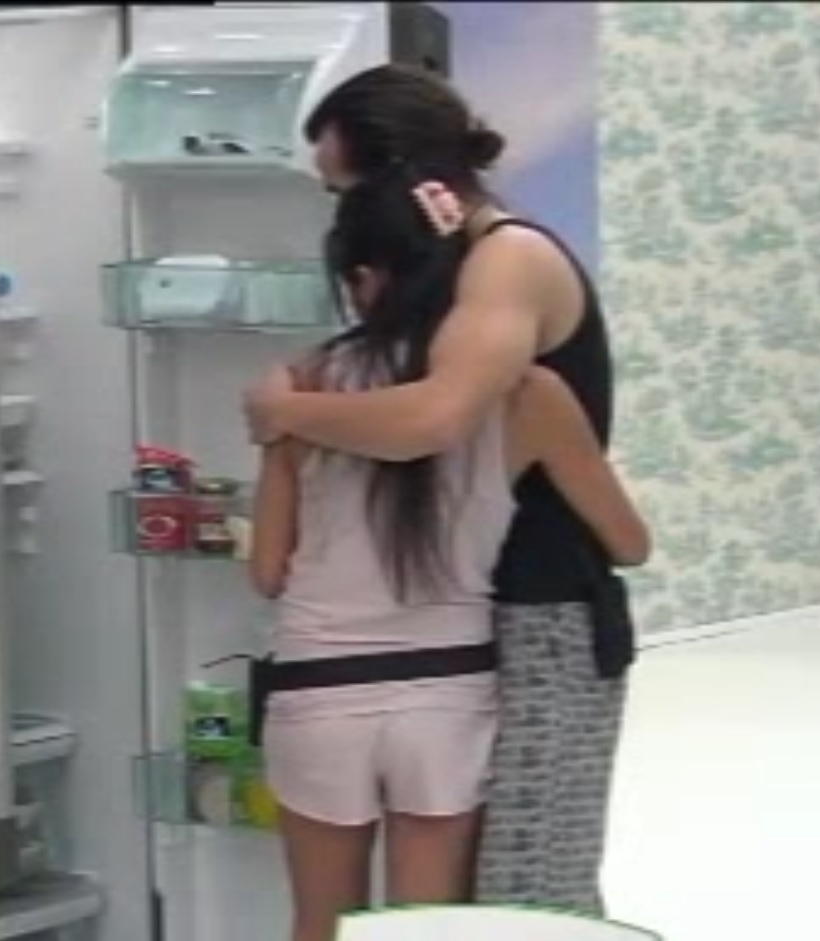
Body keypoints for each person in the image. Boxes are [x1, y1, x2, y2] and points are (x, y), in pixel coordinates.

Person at [244, 64, 630, 915]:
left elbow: (435, 418)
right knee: (457, 912)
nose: (347, 216)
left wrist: (284, 412)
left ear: (403, 182)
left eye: (345, 190)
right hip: (467, 634)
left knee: (528, 895)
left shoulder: (505, 262)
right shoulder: (439, 306)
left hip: (540, 611)